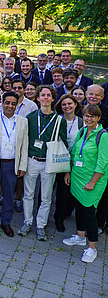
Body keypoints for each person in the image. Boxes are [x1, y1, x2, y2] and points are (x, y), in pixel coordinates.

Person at [18, 85, 67, 241]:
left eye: (48, 95)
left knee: (46, 197)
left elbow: (64, 143)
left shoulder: (60, 120)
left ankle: (40, 225)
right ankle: (27, 222)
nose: (45, 98)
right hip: (32, 160)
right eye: (42, 95)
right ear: (37, 98)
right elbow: (25, 141)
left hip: (49, 163)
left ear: (53, 98)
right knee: (28, 194)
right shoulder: (31, 117)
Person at [63, 104, 108, 263]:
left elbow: (103, 162)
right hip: (77, 177)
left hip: (92, 181)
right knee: (80, 209)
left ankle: (92, 248)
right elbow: (75, 153)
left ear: (98, 118)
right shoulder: (82, 131)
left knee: (89, 213)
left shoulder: (103, 136)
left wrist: (92, 182)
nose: (89, 119)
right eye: (86, 116)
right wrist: (68, 172)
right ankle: (80, 236)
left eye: (92, 116)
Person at [0, 91, 29, 237]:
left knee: (9, 195)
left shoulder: (22, 121)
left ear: (16, 105)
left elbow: (24, 145)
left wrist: (22, 165)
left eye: (13, 103)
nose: (10, 106)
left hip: (12, 164)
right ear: (2, 103)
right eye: (7, 103)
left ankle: (6, 222)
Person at [54, 94, 83, 232]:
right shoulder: (57, 120)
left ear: (76, 105)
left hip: (72, 162)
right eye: (64, 104)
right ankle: (51, 216)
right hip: (56, 159)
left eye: (70, 103)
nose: (67, 106)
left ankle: (61, 216)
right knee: (54, 191)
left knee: (66, 192)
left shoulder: (81, 123)